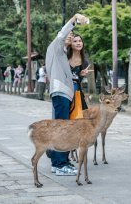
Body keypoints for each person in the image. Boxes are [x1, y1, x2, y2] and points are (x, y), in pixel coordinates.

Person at [46, 13, 89, 176]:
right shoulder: (57, 46)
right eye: (70, 36)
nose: (70, 38)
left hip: (66, 94)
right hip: (60, 92)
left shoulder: (63, 53)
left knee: (64, 128)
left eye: (73, 37)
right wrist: (75, 18)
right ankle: (58, 164)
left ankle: (62, 161)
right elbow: (62, 33)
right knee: (60, 129)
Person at [67, 32, 90, 113]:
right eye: (75, 41)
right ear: (70, 44)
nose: (78, 43)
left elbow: (78, 79)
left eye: (80, 41)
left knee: (75, 116)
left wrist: (81, 75)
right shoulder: (65, 57)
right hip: (64, 90)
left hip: (76, 92)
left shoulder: (85, 62)